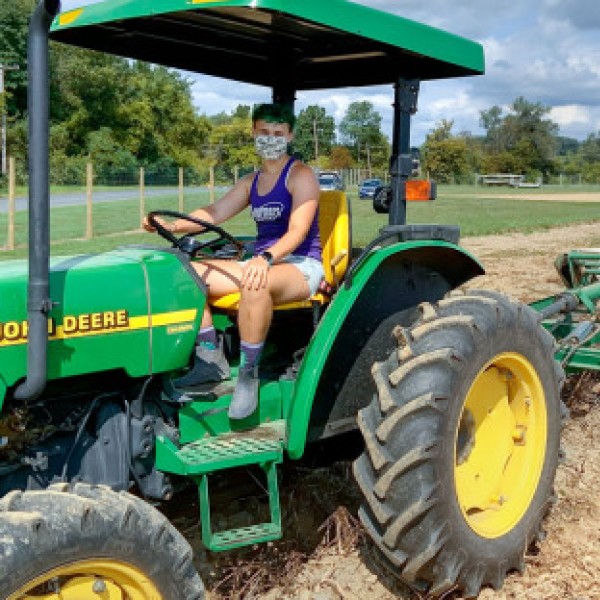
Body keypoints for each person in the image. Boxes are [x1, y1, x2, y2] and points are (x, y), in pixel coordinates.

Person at [144, 103, 323, 420]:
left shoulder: (301, 176)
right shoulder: (251, 182)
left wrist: (266, 258)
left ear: (290, 136)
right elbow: (213, 214)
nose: (271, 138)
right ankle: (210, 359)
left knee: (257, 281)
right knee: (185, 272)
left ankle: (248, 375)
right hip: (259, 261)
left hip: (299, 264)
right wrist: (171, 226)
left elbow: (298, 231)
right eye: (264, 132)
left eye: (278, 133)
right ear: (254, 132)